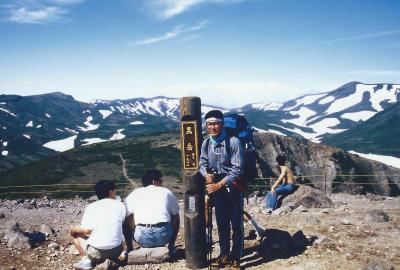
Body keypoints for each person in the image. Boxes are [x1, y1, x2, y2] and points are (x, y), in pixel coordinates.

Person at [199, 109, 244, 269]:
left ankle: (236, 256)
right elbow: (202, 164)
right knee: (222, 222)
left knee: (236, 223)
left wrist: (219, 184)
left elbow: (237, 169)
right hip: (216, 186)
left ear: (222, 124)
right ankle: (224, 254)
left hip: (232, 186)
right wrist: (206, 175)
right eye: (210, 124)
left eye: (216, 123)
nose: (213, 127)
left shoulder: (233, 142)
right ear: (206, 125)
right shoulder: (206, 142)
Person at [70, 180, 126, 270]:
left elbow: (87, 231)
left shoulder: (91, 207)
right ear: (111, 192)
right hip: (117, 252)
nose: (116, 192)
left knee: (75, 233)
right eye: (115, 190)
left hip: (96, 254)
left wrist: (74, 229)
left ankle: (86, 261)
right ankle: (123, 253)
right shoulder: (120, 205)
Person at [123, 169, 180, 255]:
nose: (162, 182)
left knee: (127, 216)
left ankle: (130, 249)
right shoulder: (166, 192)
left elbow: (124, 212)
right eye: (160, 180)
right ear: (154, 181)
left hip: (142, 238)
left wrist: (134, 225)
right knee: (176, 214)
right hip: (163, 237)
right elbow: (175, 212)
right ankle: (171, 247)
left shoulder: (136, 193)